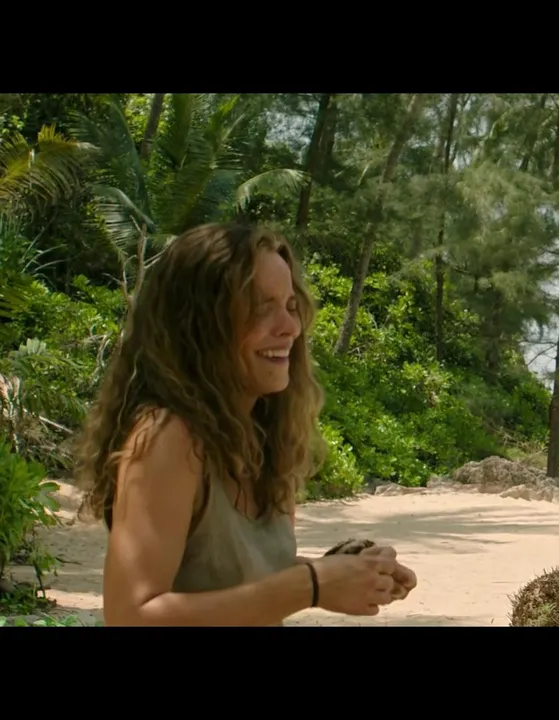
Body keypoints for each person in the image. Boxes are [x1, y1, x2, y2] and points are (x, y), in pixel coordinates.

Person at [74, 223, 417, 626]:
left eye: (290, 306)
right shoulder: (168, 437)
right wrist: (311, 585)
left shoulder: (264, 439)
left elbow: (241, 580)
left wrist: (348, 572)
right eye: (261, 307)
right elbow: (131, 616)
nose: (290, 327)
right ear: (200, 323)